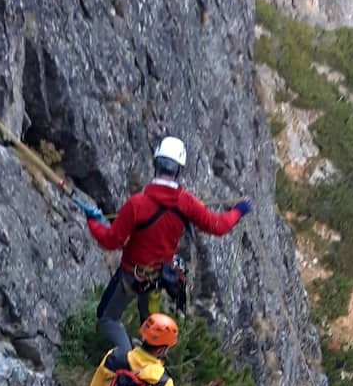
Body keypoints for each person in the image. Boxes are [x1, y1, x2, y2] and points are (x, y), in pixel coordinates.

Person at [86, 135, 253, 349]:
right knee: (151, 330)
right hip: (157, 278)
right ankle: (151, 367)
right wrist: (239, 211)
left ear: (155, 164)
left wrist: (93, 222)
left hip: (130, 276)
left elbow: (111, 241)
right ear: (178, 170)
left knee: (107, 319)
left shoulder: (137, 204)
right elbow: (218, 226)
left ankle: (129, 360)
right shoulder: (186, 203)